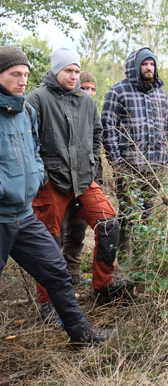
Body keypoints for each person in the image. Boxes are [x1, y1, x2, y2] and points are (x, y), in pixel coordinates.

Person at [0, 46, 115, 345]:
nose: (22, 80)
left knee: (60, 267)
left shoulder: (26, 109)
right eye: (15, 74)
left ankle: (85, 329)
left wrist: (37, 174)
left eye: (25, 74)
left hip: (30, 210)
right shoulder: (37, 100)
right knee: (53, 246)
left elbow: (35, 147)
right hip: (15, 208)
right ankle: (49, 307)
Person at [27, 49, 130, 316]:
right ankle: (47, 301)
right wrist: (43, 176)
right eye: (68, 71)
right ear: (56, 71)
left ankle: (103, 285)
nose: (73, 76)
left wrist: (91, 162)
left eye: (76, 71)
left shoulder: (85, 101)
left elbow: (97, 133)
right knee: (48, 241)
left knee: (109, 224)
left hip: (83, 180)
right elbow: (28, 142)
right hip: (52, 182)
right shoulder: (37, 100)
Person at [101, 48, 168, 254]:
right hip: (129, 167)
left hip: (156, 166)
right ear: (135, 66)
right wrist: (117, 163)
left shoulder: (160, 93)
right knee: (129, 214)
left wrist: (166, 157)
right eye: (145, 64)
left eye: (152, 64)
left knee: (150, 213)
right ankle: (125, 259)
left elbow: (167, 127)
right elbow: (108, 129)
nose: (149, 68)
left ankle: (145, 258)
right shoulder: (117, 92)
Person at [60, 70, 100, 287]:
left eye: (93, 89)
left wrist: (96, 172)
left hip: (87, 179)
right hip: (62, 181)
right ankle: (56, 275)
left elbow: (96, 142)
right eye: (85, 88)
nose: (89, 92)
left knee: (79, 227)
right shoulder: (65, 107)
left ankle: (73, 269)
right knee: (59, 228)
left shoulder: (92, 110)